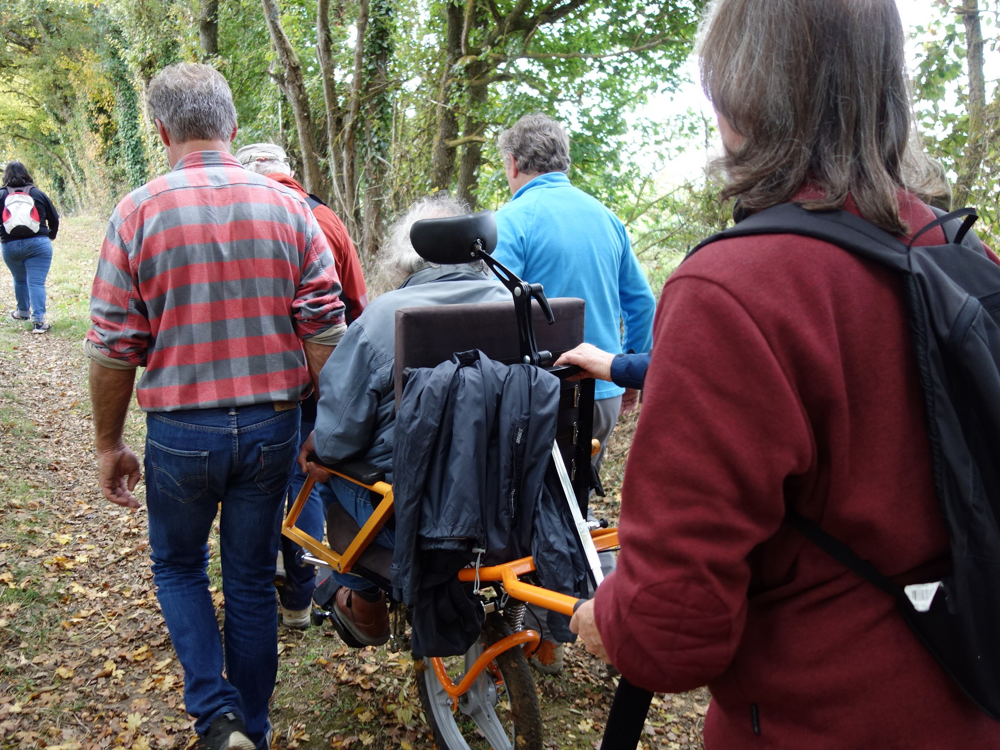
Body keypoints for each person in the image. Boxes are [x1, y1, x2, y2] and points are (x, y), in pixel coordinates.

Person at [569, 1, 996, 747]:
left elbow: (671, 633)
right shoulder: (962, 257)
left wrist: (603, 618)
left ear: (739, 93)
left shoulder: (735, 289)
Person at [85, 63, 346, 750]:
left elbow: (113, 345)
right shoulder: (291, 208)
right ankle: (252, 727)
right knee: (252, 580)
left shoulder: (136, 212)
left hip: (181, 429)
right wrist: (331, 428)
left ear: (160, 130)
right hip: (272, 425)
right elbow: (325, 326)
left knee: (178, 567)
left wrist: (109, 443)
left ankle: (215, 714)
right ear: (231, 125)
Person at [297, 195, 511, 647]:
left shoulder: (383, 319)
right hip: (510, 502)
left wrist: (320, 447)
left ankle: (365, 606)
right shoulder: (523, 306)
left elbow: (335, 441)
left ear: (407, 256)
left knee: (326, 471)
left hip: (414, 515)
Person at [492, 113, 656, 672]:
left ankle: (545, 630)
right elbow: (642, 303)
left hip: (540, 399)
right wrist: (632, 370)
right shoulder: (606, 218)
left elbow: (494, 312)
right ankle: (561, 632)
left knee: (532, 511)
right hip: (602, 391)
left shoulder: (513, 220)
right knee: (575, 503)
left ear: (513, 163)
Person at [237, 142, 369, 629]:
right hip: (323, 372)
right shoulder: (326, 218)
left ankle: (278, 579)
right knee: (305, 477)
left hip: (259, 375)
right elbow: (357, 303)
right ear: (288, 171)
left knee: (259, 477)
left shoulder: (241, 217)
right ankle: (301, 597)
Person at [1, 161, 59, 334]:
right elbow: (54, 218)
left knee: (19, 279)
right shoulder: (37, 193)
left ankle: (23, 312)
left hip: (9, 245)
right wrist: (51, 235)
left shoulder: (1, 194)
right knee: (36, 282)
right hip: (38, 244)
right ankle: (39, 322)